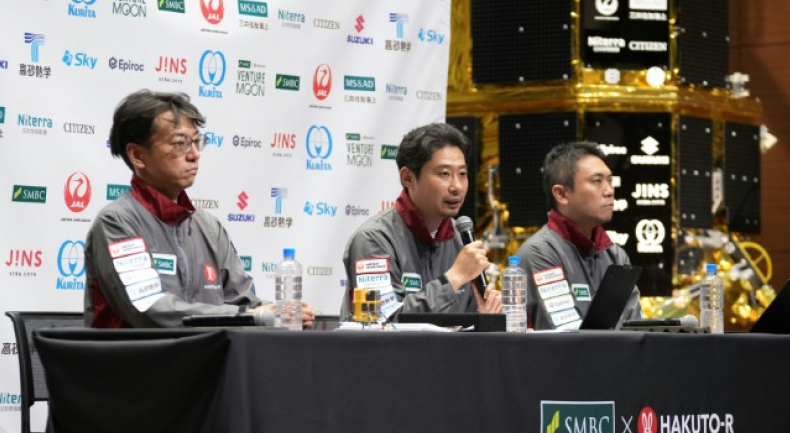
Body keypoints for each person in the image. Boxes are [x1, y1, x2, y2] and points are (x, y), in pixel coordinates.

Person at [84, 89, 314, 328]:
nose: (194, 155)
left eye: (196, 142)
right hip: (143, 354)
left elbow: (243, 301)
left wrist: (282, 312)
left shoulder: (208, 226)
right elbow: (149, 309)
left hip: (207, 352)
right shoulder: (117, 222)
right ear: (137, 155)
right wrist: (256, 316)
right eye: (180, 143)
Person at [340, 122, 502, 320]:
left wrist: (483, 316)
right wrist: (453, 279)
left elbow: (465, 322)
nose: (457, 187)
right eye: (444, 174)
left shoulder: (459, 239)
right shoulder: (373, 239)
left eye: (462, 174)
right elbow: (381, 320)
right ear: (408, 178)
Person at [516, 141, 642, 330]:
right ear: (561, 194)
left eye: (610, 180)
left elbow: (635, 327)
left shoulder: (616, 255)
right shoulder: (539, 253)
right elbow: (567, 336)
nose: (609, 191)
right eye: (597, 181)